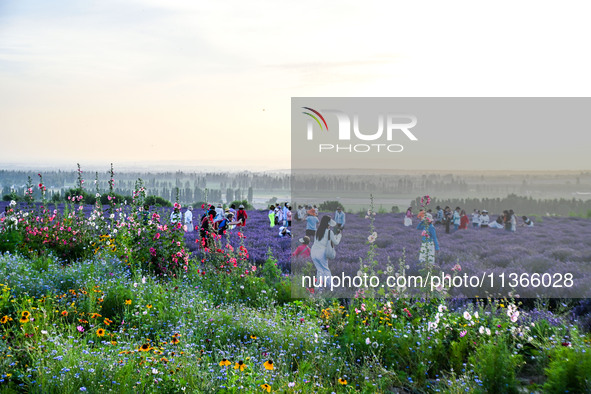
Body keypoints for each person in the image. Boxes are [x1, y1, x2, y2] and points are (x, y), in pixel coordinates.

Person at [311, 216, 342, 289]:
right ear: (328, 223)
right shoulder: (329, 232)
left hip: (313, 251)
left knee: (319, 271)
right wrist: (339, 235)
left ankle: (317, 288)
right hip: (321, 252)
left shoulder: (317, 230)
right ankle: (330, 287)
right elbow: (336, 242)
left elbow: (321, 239)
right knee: (326, 270)